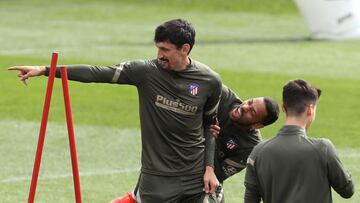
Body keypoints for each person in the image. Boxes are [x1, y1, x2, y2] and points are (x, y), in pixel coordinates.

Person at [8, 19, 222, 203]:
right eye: (157, 48)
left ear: (185, 49)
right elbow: (97, 72)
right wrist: (45, 70)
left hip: (195, 177)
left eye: (165, 50)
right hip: (156, 179)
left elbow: (209, 126)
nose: (159, 55)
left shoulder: (209, 81)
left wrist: (209, 168)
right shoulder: (145, 72)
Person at [110, 85, 280, 203]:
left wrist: (208, 140)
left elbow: (217, 176)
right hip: (173, 157)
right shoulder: (222, 96)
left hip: (199, 181)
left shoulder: (250, 148)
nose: (245, 107)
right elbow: (187, 96)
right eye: (249, 101)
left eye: (252, 112)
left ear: (257, 125)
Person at [244, 79, 354, 203]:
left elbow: (250, 199)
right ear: (310, 109)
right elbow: (347, 190)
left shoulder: (258, 152)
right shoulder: (323, 148)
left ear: (283, 108)